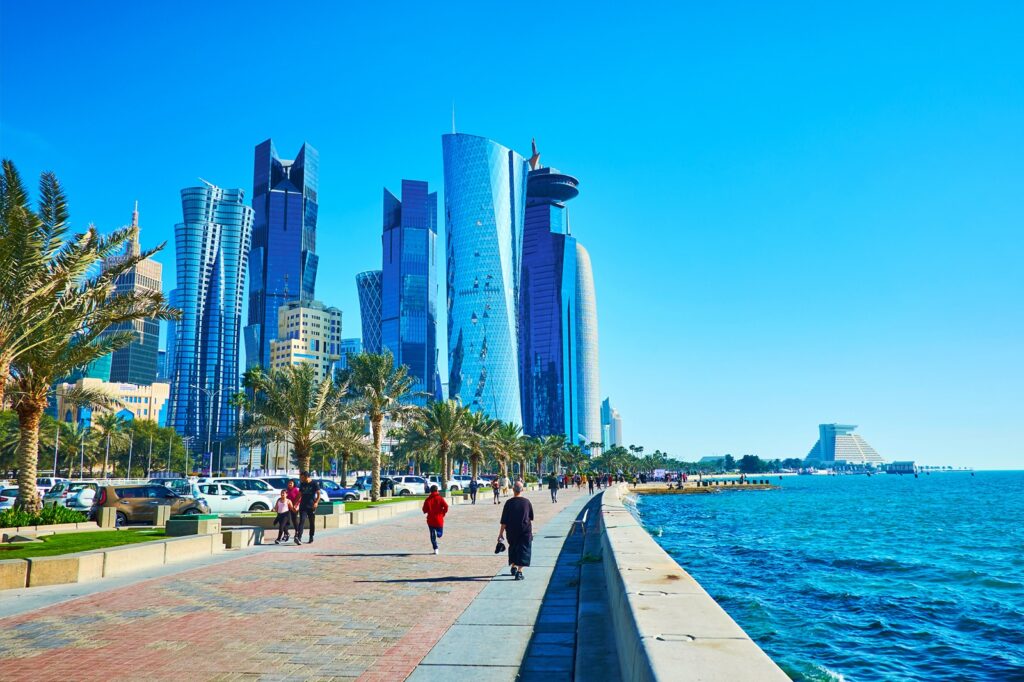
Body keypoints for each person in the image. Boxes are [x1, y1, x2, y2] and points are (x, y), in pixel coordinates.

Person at [498, 481, 534, 581]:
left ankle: (513, 567)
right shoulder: (526, 502)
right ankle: (519, 571)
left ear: (513, 489)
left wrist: (500, 534)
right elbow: (531, 517)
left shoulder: (508, 503)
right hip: (524, 530)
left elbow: (504, 520)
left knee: (513, 548)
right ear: (522, 490)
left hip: (511, 531)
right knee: (524, 550)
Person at [422, 484, 449, 554]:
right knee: (440, 533)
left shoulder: (428, 500)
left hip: (431, 519)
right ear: (437, 490)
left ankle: (435, 548)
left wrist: (428, 510)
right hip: (439, 519)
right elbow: (446, 506)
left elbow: (424, 510)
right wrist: (443, 513)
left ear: (430, 491)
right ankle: (438, 533)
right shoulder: (440, 498)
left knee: (432, 535)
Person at [294, 471, 320, 545]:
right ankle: (299, 538)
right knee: (301, 521)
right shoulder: (302, 484)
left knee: (311, 522)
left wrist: (316, 502)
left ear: (306, 477)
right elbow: (299, 494)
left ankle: (311, 536)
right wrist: (295, 504)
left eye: (302, 478)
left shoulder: (314, 483)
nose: (301, 479)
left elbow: (318, 494)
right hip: (303, 506)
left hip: (311, 506)